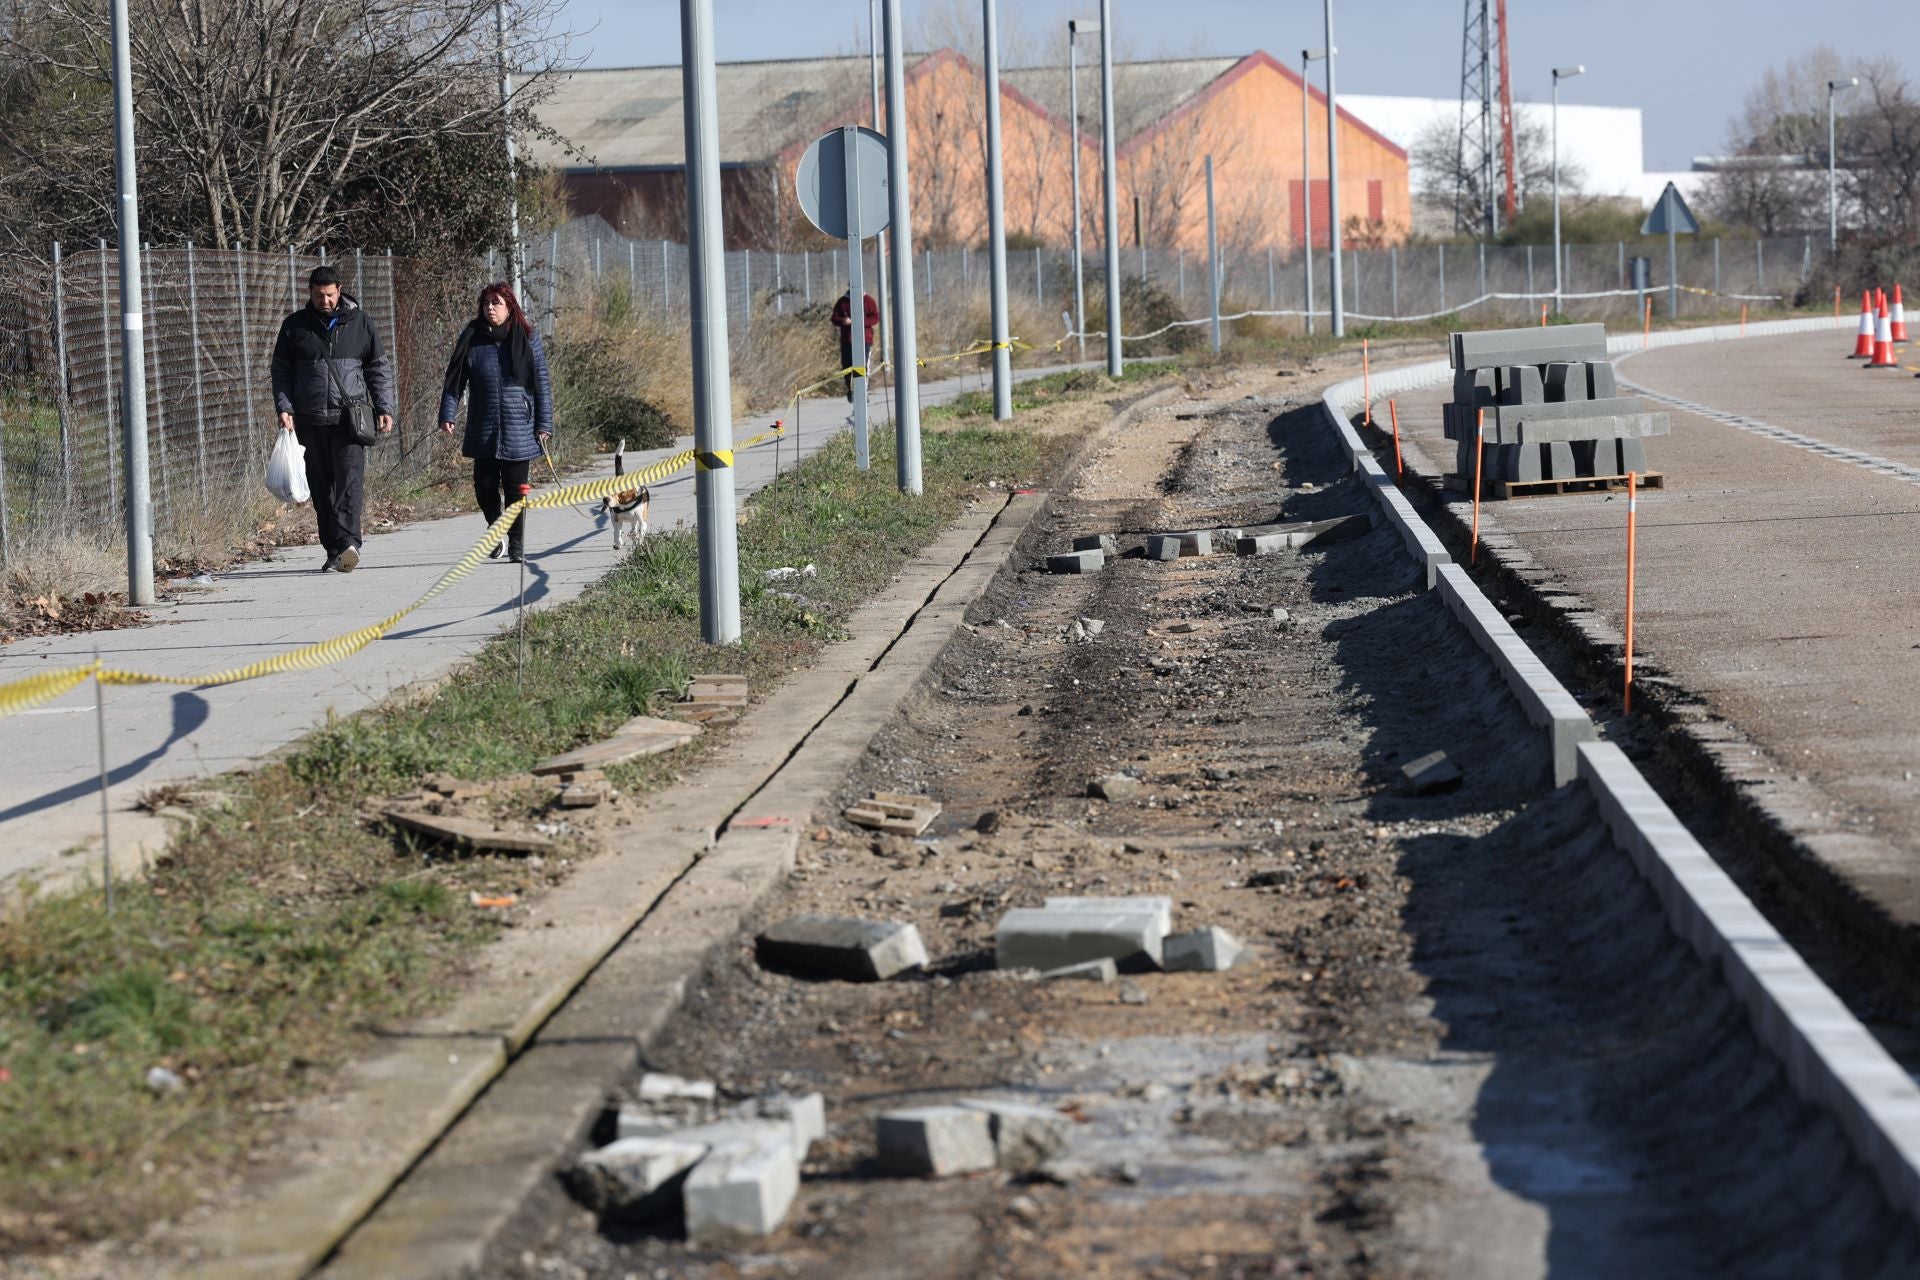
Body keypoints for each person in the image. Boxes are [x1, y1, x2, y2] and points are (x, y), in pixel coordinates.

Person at [270, 265, 395, 572]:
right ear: (309, 293)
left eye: (328, 294)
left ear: (339, 290)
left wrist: (385, 407)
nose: (324, 300)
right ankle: (333, 549)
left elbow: (377, 368)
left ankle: (350, 543)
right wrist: (284, 407)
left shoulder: (360, 323)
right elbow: (281, 371)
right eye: (317, 295)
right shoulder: (295, 326)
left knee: (349, 484)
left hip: (348, 420)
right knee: (322, 488)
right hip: (309, 421)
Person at [438, 282, 554, 563]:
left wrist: (544, 423)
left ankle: (516, 546)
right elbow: (455, 381)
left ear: (509, 306)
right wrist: (447, 413)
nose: (490, 308)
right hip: (484, 423)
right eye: (486, 303)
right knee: (484, 485)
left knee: (516, 491)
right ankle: (495, 529)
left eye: (496, 303)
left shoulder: (527, 336)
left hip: (520, 426)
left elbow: (542, 383)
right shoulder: (472, 338)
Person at [830, 290, 879, 402]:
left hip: (864, 340)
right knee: (847, 367)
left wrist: (860, 321)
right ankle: (851, 389)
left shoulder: (868, 301)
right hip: (847, 341)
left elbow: (875, 318)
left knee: (862, 367)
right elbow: (834, 318)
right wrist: (843, 320)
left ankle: (863, 391)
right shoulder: (843, 302)